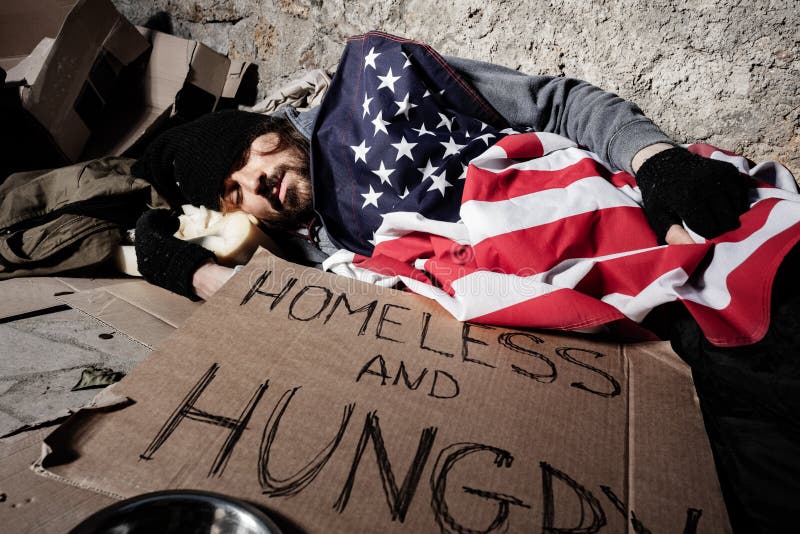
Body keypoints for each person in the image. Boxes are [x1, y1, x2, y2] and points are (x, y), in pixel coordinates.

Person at [131, 32, 795, 532]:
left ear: (268, 131)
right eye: (234, 194)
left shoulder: (375, 82)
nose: (257, 185)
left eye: (242, 160)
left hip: (632, 237)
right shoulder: (310, 252)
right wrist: (190, 268)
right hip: (593, 345)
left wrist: (656, 162)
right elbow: (294, 317)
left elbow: (559, 102)